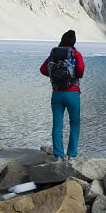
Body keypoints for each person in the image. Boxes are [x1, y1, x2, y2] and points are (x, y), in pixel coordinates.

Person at [40, 29, 85, 162]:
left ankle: (58, 155)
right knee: (75, 123)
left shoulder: (54, 54)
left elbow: (43, 69)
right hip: (72, 93)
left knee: (57, 124)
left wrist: (55, 76)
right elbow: (81, 72)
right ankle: (71, 155)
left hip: (57, 93)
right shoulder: (76, 54)